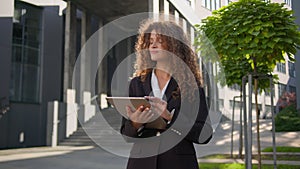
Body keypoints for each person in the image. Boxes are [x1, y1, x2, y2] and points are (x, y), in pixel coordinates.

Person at [120, 19, 213, 169]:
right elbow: (126, 134)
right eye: (150, 42)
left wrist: (170, 117)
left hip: (178, 163)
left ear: (174, 46)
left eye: (160, 41)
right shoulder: (136, 84)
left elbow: (205, 135)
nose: (153, 46)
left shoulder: (191, 86)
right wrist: (136, 123)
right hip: (141, 162)